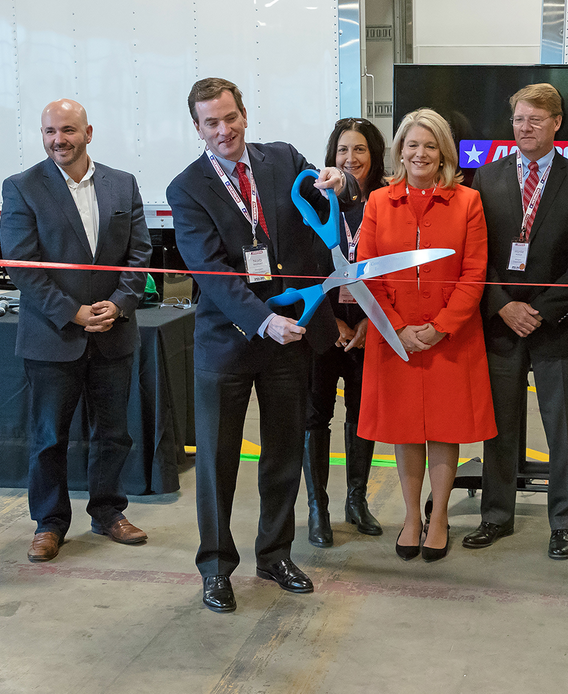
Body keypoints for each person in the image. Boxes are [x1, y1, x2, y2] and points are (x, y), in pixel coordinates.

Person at [167, 77, 344, 613]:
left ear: (245, 113)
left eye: (230, 118)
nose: (224, 131)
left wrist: (340, 180)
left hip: (291, 332)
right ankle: (216, 567)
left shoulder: (283, 158)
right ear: (197, 128)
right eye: (211, 123)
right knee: (218, 462)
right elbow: (212, 273)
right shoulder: (187, 188)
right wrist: (262, 320)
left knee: (284, 454)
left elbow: (328, 198)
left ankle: (275, 554)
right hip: (230, 339)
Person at [0, 99, 154, 563]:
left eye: (67, 130)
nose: (57, 140)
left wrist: (120, 303)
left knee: (114, 434)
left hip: (114, 331)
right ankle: (49, 523)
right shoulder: (22, 187)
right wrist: (73, 312)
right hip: (52, 336)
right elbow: (21, 266)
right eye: (49, 132)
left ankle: (108, 512)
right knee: (49, 437)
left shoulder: (122, 184)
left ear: (89, 132)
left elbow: (139, 253)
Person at [469, 83, 568, 560]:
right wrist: (502, 304)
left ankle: (564, 522)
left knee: (563, 431)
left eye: (536, 120)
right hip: (501, 322)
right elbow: (474, 255)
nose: (525, 128)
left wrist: (542, 310)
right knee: (499, 427)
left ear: (557, 123)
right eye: (519, 120)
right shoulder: (485, 179)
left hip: (559, 326)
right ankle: (496, 516)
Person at [357, 108, 495, 563]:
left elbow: (474, 274)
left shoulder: (468, 202)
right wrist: (397, 327)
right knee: (404, 430)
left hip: (448, 337)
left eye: (430, 146)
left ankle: (438, 520)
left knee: (443, 428)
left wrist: (437, 329)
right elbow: (367, 272)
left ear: (443, 154)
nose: (420, 153)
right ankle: (411, 516)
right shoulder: (379, 202)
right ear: (400, 150)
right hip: (393, 336)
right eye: (412, 145)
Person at [301, 117, 389, 547]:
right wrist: (327, 320)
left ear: (374, 157)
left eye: (359, 150)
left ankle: (356, 500)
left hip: (368, 326)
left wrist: (372, 321)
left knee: (362, 416)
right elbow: (299, 271)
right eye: (342, 151)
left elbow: (397, 271)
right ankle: (318, 509)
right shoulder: (314, 203)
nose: (350, 159)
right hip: (323, 326)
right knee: (315, 416)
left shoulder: (386, 202)